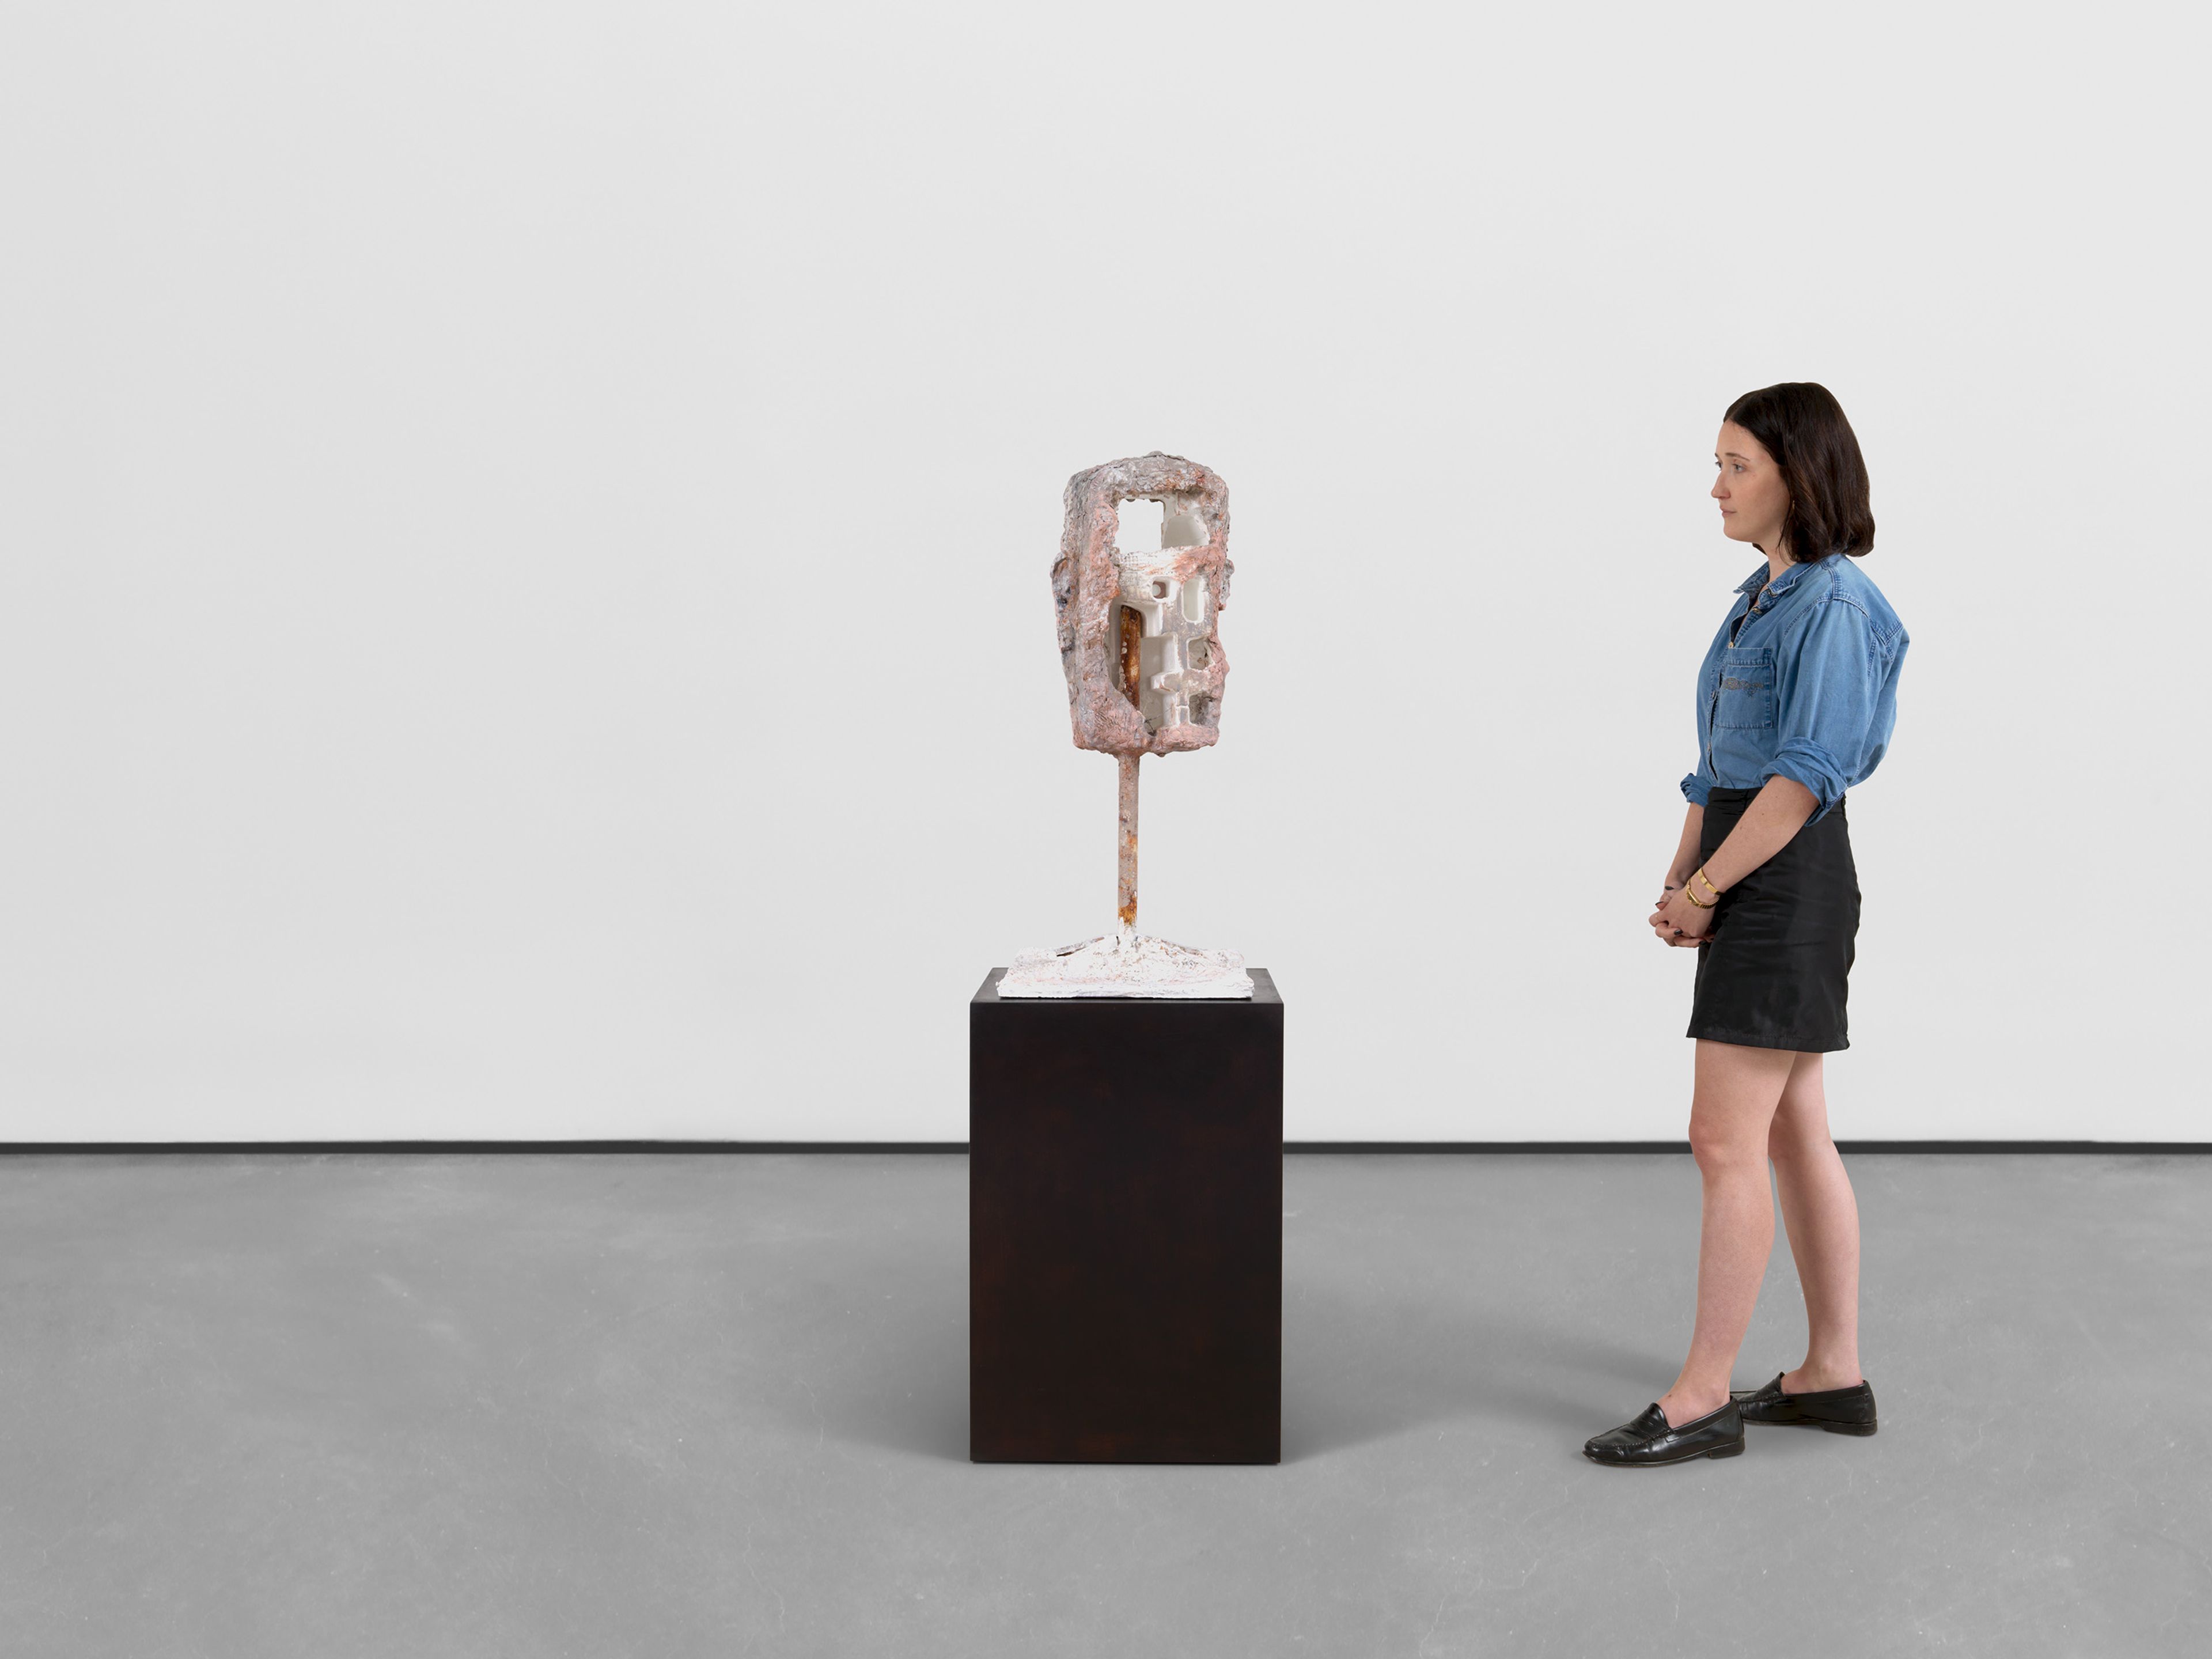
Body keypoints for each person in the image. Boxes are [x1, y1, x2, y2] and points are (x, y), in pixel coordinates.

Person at [1584, 382, 1909, 1468]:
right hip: (1747, 860)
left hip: (1786, 873)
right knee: (1791, 1128)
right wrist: (1684, 875)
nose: (1716, 486)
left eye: (1737, 465)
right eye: (1717, 464)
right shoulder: (1762, 597)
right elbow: (1718, 765)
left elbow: (1803, 779)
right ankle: (1832, 1374)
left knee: (1723, 1141)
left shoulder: (1835, 606)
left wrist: (1710, 888)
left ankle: (1701, 1400)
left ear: (1796, 476)